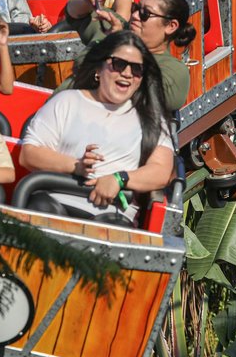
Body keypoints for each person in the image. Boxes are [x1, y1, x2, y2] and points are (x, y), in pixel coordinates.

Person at [20, 31, 174, 222]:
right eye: (119, 64)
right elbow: (29, 154)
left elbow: (161, 171)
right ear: (98, 69)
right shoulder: (66, 101)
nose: (127, 73)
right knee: (41, 214)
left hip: (111, 213)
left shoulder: (150, 119)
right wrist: (76, 166)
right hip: (55, 200)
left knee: (109, 229)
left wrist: (120, 179)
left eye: (136, 69)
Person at [58, 0, 196, 112]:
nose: (135, 16)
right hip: (55, 116)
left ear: (171, 26)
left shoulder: (174, 70)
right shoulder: (115, 26)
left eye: (145, 14)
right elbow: (75, 13)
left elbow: (153, 95)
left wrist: (120, 45)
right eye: (136, 8)